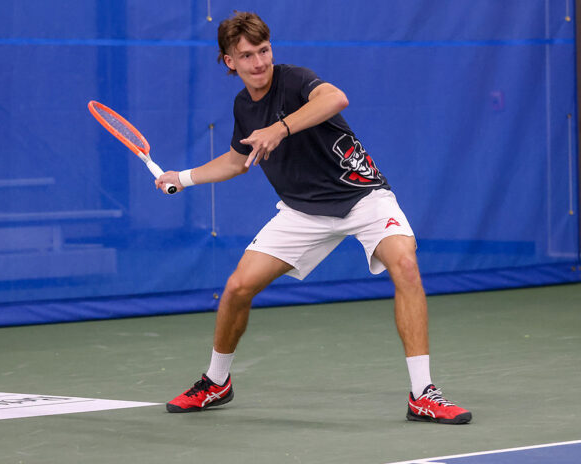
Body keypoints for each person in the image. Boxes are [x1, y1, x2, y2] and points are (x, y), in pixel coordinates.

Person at [156, 11, 471, 425]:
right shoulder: (243, 107)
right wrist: (184, 178)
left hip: (363, 197)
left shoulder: (294, 79)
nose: (259, 62)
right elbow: (237, 160)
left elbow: (335, 99)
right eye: (247, 55)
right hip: (303, 211)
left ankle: (422, 395)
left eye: (264, 51)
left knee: (406, 265)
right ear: (229, 61)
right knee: (236, 288)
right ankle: (216, 383)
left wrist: (280, 129)